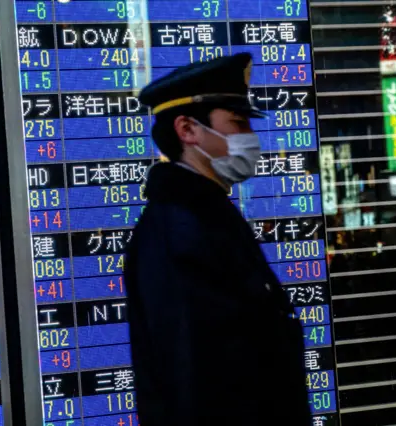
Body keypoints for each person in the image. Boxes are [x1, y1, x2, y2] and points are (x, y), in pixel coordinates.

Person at [125, 53, 311, 426]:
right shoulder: (180, 228)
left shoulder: (204, 213)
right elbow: (196, 377)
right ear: (187, 130)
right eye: (237, 124)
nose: (249, 139)